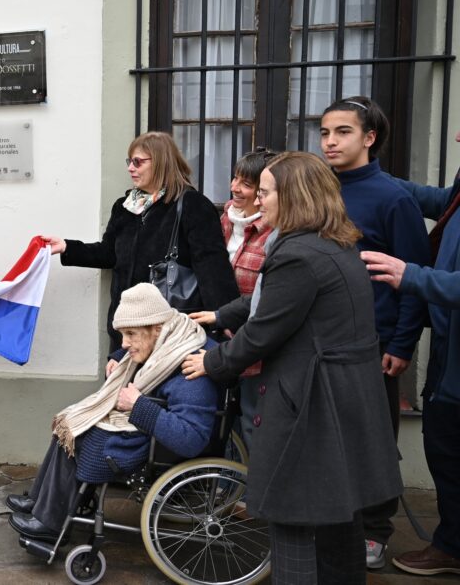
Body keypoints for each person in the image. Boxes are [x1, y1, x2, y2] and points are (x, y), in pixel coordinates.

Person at [182, 152, 402, 584]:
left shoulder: (298, 253)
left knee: (293, 521)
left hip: (312, 404)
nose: (258, 200)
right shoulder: (331, 241)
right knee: (340, 518)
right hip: (344, 398)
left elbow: (263, 332)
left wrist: (210, 361)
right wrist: (222, 314)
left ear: (294, 196)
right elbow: (274, 299)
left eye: (265, 192)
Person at [6, 283, 218, 542]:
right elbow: (141, 344)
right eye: (122, 335)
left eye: (130, 334)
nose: (124, 343)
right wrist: (120, 357)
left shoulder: (190, 371)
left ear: (157, 328)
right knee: (73, 418)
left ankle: (50, 524)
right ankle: (40, 501)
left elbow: (191, 438)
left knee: (80, 433)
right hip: (144, 428)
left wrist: (138, 405)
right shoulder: (170, 333)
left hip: (154, 443)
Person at [318, 96, 430, 569]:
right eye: (325, 132)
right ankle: (332, 523)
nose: (330, 141)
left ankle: (374, 531)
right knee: (328, 439)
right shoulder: (318, 189)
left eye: (342, 131)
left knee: (374, 441)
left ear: (369, 137)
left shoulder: (393, 198)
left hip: (375, 345)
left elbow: (415, 276)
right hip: (320, 341)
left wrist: (402, 343)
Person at [361, 130, 460, 576]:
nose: (456, 134)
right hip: (447, 352)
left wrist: (413, 277)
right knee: (444, 450)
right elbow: (435, 199)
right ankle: (451, 545)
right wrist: (363, 172)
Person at [43, 131, 239, 350]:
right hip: (126, 328)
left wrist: (224, 317)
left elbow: (212, 267)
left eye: (138, 162)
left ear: (161, 162)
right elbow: (109, 253)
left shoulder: (192, 205)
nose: (130, 168)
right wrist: (67, 247)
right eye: (129, 161)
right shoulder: (125, 206)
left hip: (169, 330)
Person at [217, 148, 276, 452]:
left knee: (254, 421)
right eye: (235, 179)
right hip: (224, 338)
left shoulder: (274, 233)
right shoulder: (227, 219)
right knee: (226, 424)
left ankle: (254, 481)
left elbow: (269, 293)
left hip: (256, 344)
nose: (235, 188)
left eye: (247, 184)